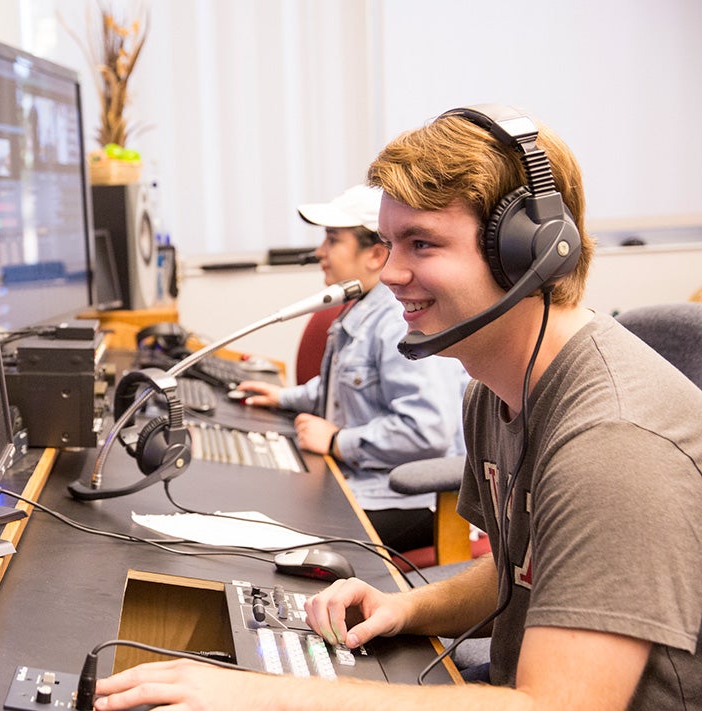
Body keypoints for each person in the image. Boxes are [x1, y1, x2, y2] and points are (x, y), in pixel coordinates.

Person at [92, 105, 702, 709]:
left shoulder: (614, 441)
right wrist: (406, 606)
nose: (391, 272)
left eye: (422, 244)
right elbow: (522, 569)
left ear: (530, 254)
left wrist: (267, 695)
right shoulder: (492, 392)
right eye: (387, 243)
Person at [237, 184, 468, 553]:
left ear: (376, 255)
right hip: (365, 482)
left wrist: (335, 441)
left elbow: (427, 431)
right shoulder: (362, 308)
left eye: (332, 240)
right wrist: (284, 397)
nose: (320, 252)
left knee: (287, 540)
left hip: (409, 499)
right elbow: (347, 390)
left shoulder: (398, 321)